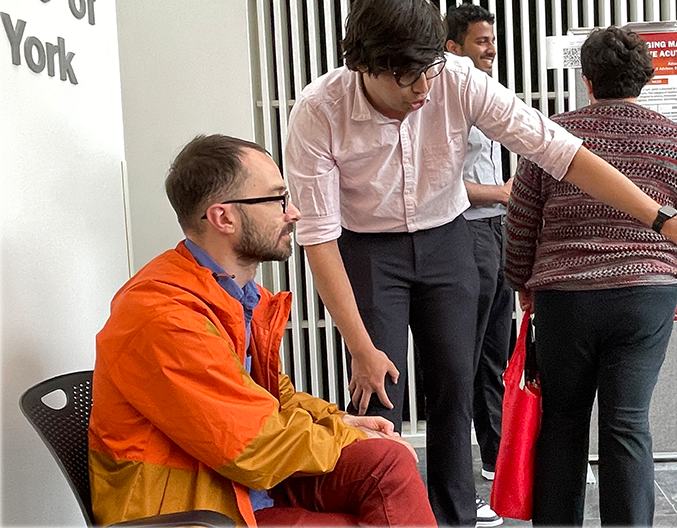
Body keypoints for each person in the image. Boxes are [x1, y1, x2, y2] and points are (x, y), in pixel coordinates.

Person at [283, 0, 677, 525]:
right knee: (378, 389)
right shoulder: (318, 109)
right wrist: (359, 345)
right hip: (367, 248)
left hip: (446, 237)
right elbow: (319, 237)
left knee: (456, 383)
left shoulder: (457, 80)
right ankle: (386, 516)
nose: (423, 88)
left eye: (430, 70)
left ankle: (453, 516)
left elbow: (559, 151)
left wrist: (661, 219)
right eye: (407, 77)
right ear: (367, 66)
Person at [88, 135, 436, 527]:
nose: (293, 213)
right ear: (223, 217)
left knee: (388, 461)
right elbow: (252, 445)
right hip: (197, 506)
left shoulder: (236, 295)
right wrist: (349, 438)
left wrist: (342, 422)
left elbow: (271, 398)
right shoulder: (162, 313)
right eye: (277, 200)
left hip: (237, 480)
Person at [504, 26, 677, 526]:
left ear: (587, 80)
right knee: (627, 423)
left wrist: (522, 282)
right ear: (645, 79)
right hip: (645, 298)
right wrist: (670, 252)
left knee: (562, 421)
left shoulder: (553, 138)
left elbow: (520, 219)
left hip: (566, 297)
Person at [444, 2, 510, 528]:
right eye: (481, 41)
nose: (491, 49)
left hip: (495, 230)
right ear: (453, 48)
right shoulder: (445, 103)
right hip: (466, 230)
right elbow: (443, 183)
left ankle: (498, 464)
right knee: (463, 359)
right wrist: (503, 192)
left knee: (496, 354)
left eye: (492, 40)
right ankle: (459, 489)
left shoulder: (485, 97)